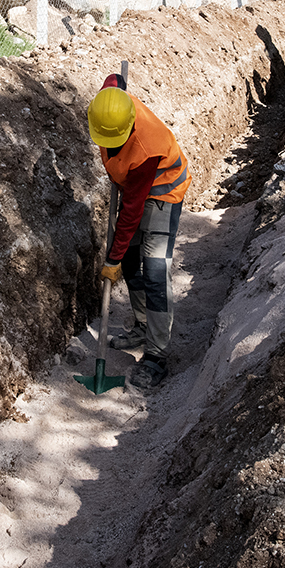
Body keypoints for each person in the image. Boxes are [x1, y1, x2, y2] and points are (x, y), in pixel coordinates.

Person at [86, 73, 190, 391]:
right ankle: (143, 325)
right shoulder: (110, 107)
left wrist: (112, 258)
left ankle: (156, 355)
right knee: (131, 262)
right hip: (133, 187)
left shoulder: (147, 147)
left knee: (155, 270)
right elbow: (113, 82)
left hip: (162, 192)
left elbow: (132, 211)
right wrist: (121, 257)